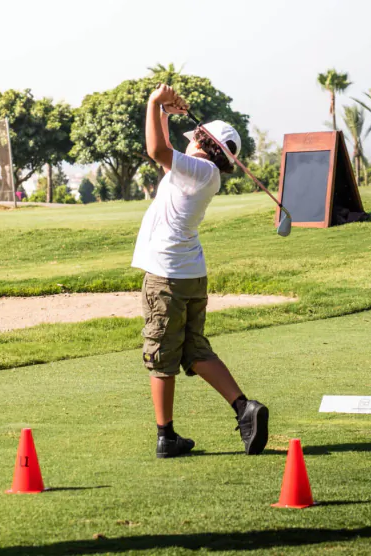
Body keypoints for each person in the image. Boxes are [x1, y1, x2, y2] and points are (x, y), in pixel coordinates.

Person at [132, 84, 269, 458]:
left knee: (161, 355)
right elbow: (165, 154)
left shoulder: (200, 169)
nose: (189, 141)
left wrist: (152, 102)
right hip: (189, 272)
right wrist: (163, 112)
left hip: (167, 276)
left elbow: (157, 151)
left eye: (196, 138)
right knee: (193, 350)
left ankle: (166, 436)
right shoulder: (206, 173)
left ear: (205, 145)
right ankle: (245, 409)